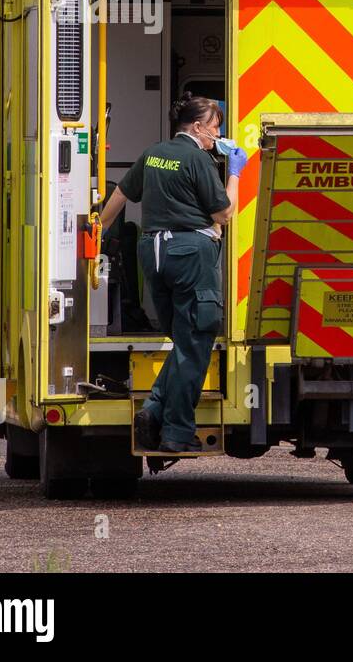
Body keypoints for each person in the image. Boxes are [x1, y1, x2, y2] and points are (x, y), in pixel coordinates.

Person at [98, 94, 249, 454]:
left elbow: (120, 194)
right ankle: (176, 433)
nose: (218, 134)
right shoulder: (197, 157)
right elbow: (224, 214)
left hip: (152, 253)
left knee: (184, 343)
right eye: (215, 128)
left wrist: (99, 230)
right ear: (197, 128)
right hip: (189, 254)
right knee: (196, 344)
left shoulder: (152, 154)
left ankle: (153, 410)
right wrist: (234, 172)